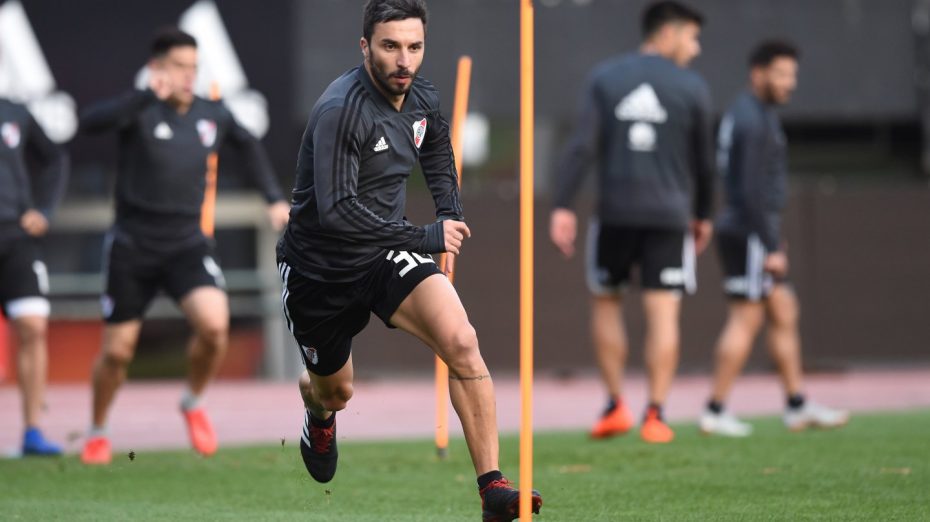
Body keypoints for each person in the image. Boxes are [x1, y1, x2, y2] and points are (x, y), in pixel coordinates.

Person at [278, 1, 541, 519]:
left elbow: (438, 152)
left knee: (462, 342)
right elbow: (337, 212)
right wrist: (424, 236)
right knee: (336, 392)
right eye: (391, 46)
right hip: (320, 271)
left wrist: (449, 214)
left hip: (385, 251)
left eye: (414, 47)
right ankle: (318, 411)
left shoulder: (422, 96)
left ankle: (493, 490)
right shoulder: (340, 110)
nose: (404, 60)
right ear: (365, 47)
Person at [78, 28, 290, 464]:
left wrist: (272, 198)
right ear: (157, 68)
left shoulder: (212, 113)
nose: (188, 76)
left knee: (214, 326)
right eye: (179, 66)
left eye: (193, 67)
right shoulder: (138, 109)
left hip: (187, 245)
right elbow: (89, 122)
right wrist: (143, 96)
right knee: (117, 352)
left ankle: (193, 401)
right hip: (133, 247)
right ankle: (98, 431)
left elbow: (249, 149)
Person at [550, 1, 715, 444]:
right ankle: (655, 414)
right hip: (669, 218)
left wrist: (562, 204)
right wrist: (703, 215)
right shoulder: (692, 87)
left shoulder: (606, 77)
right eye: (692, 38)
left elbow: (582, 146)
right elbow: (705, 163)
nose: (695, 49)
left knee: (607, 303)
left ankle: (614, 405)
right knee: (664, 312)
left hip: (615, 214)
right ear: (668, 33)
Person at [699, 40, 849, 437]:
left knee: (784, 310)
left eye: (792, 75)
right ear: (758, 73)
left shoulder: (751, 114)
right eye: (781, 74)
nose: (789, 83)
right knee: (746, 318)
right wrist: (769, 245)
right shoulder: (751, 119)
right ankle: (714, 409)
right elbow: (749, 190)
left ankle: (796, 404)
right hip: (749, 231)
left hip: (750, 229)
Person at [0, 96, 69, 456]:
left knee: (32, 326)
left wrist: (44, 209)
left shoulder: (13, 111)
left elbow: (55, 158)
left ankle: (32, 431)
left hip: (16, 238)